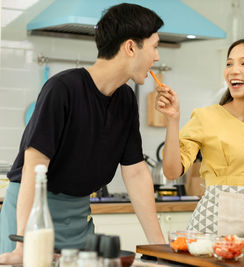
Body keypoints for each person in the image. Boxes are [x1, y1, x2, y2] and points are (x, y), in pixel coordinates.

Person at [0, 3, 166, 264]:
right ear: (131, 47)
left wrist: (159, 248)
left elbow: (134, 171)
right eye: (155, 46)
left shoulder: (125, 99)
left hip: (77, 220)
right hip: (33, 215)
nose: (157, 57)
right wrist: (23, 242)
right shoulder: (62, 89)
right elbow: (35, 167)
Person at [156, 39, 244, 240]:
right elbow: (171, 171)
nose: (233, 70)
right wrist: (172, 120)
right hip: (207, 235)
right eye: (229, 64)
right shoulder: (206, 117)